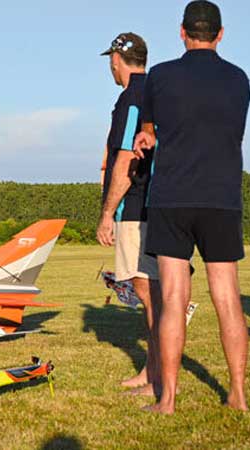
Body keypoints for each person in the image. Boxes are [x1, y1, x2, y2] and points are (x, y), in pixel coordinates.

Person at [133, 0, 250, 414]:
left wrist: (148, 137)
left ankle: (167, 400)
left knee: (174, 299)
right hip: (222, 198)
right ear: (220, 34)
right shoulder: (239, 79)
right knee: (227, 297)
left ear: (182, 32)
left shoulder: (160, 76)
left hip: (173, 197)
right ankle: (238, 395)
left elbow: (149, 130)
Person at [96, 33, 162, 395]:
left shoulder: (131, 98)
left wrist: (107, 214)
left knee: (148, 292)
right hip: (160, 204)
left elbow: (125, 159)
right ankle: (151, 370)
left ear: (116, 61)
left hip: (136, 208)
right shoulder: (156, 91)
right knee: (153, 292)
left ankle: (158, 376)